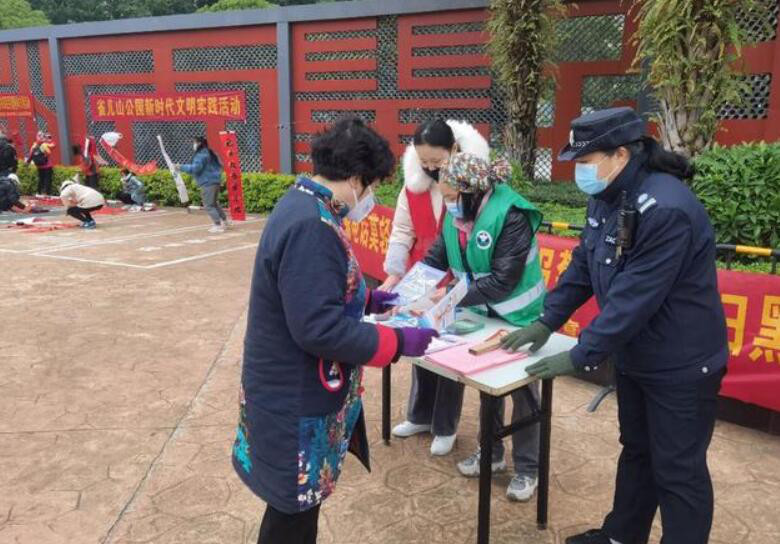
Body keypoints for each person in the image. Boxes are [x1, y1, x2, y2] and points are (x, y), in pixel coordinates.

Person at [501, 107, 728, 544]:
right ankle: (621, 536)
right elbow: (583, 267)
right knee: (637, 451)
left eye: (585, 161)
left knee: (678, 470)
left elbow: (635, 298)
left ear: (620, 154)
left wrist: (580, 355)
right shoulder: (606, 196)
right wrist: (546, 321)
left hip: (681, 365)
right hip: (637, 355)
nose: (579, 172)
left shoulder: (666, 209)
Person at [233, 117, 439, 544]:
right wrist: (399, 341)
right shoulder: (313, 225)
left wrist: (368, 299)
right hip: (294, 396)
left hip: (286, 387)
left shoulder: (304, 204)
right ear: (357, 179)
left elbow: (312, 292)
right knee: (292, 515)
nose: (371, 197)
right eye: (372, 186)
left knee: (294, 510)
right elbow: (318, 328)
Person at [417, 151, 547, 501]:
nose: (448, 204)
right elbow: (435, 259)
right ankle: (492, 453)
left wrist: (450, 298)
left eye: (450, 196)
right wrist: (408, 292)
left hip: (521, 317)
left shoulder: (511, 214)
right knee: (487, 384)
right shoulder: (457, 214)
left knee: (523, 392)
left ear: (471, 191)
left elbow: (504, 280)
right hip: (483, 314)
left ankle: (528, 468)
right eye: (444, 197)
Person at [385, 119, 490, 456]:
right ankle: (420, 415)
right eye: (424, 161)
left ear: (454, 150)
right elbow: (402, 231)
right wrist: (393, 274)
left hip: (459, 278)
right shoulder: (412, 187)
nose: (430, 168)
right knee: (420, 346)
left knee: (448, 353)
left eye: (437, 161)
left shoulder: (473, 183)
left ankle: (445, 425)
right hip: (425, 274)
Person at [176, 136, 229, 233]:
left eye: (194, 142)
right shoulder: (211, 153)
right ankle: (224, 222)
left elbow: (196, 168)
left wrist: (181, 167)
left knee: (208, 205)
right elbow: (220, 165)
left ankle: (217, 225)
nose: (193, 145)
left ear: (199, 143)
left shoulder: (200, 155)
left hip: (207, 183)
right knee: (214, 203)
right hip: (215, 181)